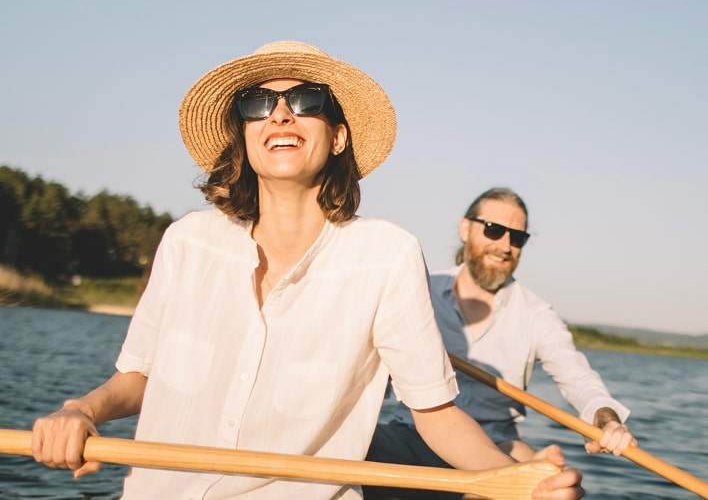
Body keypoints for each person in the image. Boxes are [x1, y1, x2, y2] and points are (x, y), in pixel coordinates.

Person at [30, 43, 583, 499]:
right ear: (244, 139)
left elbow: (434, 415)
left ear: (338, 136)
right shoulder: (187, 243)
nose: (280, 113)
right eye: (257, 104)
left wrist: (505, 480)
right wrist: (80, 411)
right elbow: (138, 379)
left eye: (305, 99)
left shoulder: (385, 255)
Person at [365, 186, 635, 498]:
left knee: (542, 480)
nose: (505, 245)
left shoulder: (536, 315)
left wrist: (607, 420)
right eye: (494, 230)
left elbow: (577, 377)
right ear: (465, 229)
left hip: (497, 445)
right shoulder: (418, 290)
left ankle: (529, 468)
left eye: (517, 237)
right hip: (412, 436)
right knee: (343, 446)